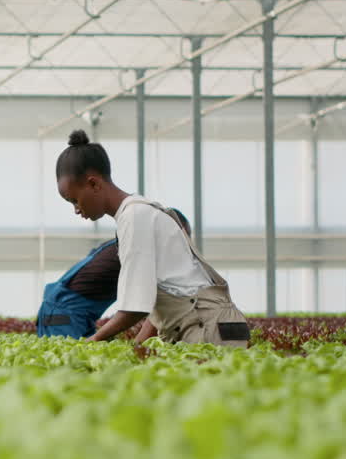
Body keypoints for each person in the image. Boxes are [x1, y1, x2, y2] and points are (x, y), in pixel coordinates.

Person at [53, 129, 249, 347]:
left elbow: (135, 308)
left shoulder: (135, 218)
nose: (76, 210)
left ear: (94, 184)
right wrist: (136, 348)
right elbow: (156, 300)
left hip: (207, 327)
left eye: (74, 200)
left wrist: (92, 342)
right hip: (214, 324)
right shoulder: (140, 213)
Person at [36, 210, 192, 340]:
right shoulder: (145, 250)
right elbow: (150, 308)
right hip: (62, 314)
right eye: (181, 238)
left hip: (68, 312)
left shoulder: (127, 242)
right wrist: (137, 346)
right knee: (68, 369)